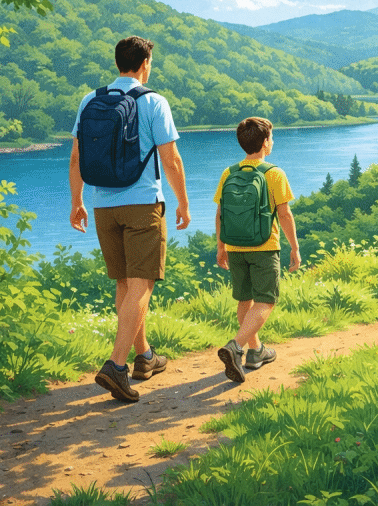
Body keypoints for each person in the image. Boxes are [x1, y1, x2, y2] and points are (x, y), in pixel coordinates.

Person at [69, 36, 191, 403]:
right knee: (142, 284)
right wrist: (184, 203)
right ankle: (116, 366)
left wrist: (77, 201)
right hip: (142, 205)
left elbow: (76, 158)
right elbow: (171, 160)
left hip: (103, 204)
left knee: (124, 283)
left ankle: (145, 357)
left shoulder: (90, 100)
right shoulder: (153, 101)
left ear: (118, 62)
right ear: (145, 63)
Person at [214, 117, 301, 384]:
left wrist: (221, 247)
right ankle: (236, 346)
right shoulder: (273, 173)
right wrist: (294, 248)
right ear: (265, 143)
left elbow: (220, 213)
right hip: (264, 247)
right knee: (266, 300)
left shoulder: (229, 172)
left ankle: (255, 351)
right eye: (271, 138)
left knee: (245, 299)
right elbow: (284, 215)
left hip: (236, 246)